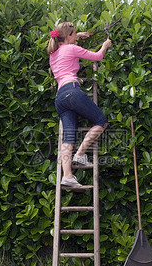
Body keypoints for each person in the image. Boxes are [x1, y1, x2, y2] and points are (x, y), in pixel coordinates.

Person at [47, 21, 112, 188]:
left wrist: (78, 35)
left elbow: (67, 44)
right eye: (74, 34)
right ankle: (81, 153)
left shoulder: (53, 54)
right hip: (72, 91)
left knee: (67, 139)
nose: (77, 36)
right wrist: (105, 45)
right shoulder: (71, 49)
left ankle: (67, 176)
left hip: (60, 98)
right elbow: (98, 56)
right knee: (101, 121)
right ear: (68, 36)